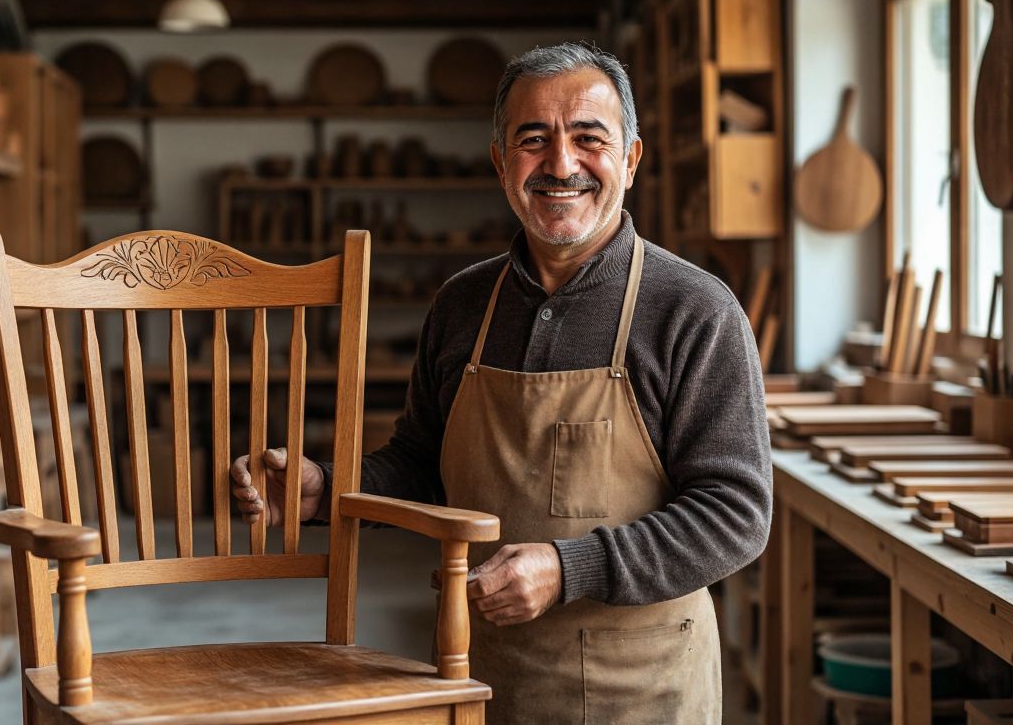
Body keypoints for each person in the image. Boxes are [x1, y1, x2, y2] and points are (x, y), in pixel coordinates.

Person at [231, 42, 771, 723]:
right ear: (500, 161)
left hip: (641, 690)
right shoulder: (462, 304)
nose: (561, 164)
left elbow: (736, 516)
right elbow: (423, 465)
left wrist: (571, 568)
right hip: (482, 678)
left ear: (631, 159)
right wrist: (326, 487)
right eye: (533, 139)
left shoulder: (694, 310)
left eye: (588, 139)